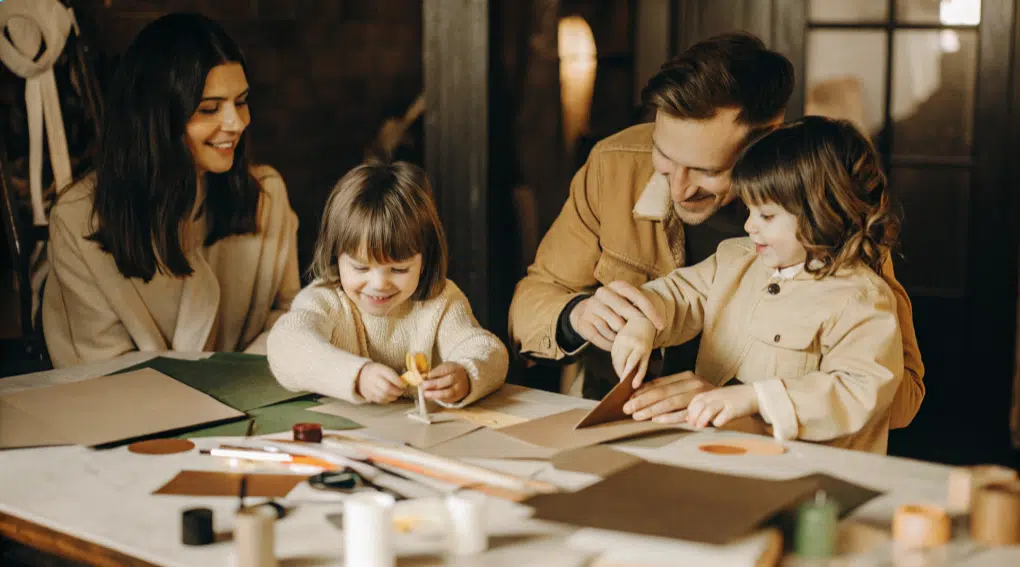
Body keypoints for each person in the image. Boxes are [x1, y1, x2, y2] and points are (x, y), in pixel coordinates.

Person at [507, 32, 924, 429]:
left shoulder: (827, 213)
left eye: (707, 171)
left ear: (766, 140)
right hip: (618, 424)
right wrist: (576, 315)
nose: (679, 189)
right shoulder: (613, 165)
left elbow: (899, 397)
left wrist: (750, 402)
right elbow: (530, 305)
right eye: (665, 159)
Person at [611, 116, 902, 453]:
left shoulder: (861, 298)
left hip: (812, 478)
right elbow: (679, 295)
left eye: (766, 216)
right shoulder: (736, 259)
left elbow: (858, 390)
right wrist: (643, 322)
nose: (749, 226)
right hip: (725, 457)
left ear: (822, 213)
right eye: (748, 211)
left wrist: (758, 398)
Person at [41, 13, 300, 368]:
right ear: (157, 118)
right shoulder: (79, 219)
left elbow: (292, 319)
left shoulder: (265, 196)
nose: (237, 123)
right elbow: (94, 372)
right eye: (209, 108)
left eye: (240, 101)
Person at [267, 161, 508, 407]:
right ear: (335, 257)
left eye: (399, 269)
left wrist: (466, 374)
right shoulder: (325, 300)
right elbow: (285, 346)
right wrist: (357, 375)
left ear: (425, 259)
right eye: (361, 267)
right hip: (342, 436)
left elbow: (489, 350)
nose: (380, 284)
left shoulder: (441, 301)